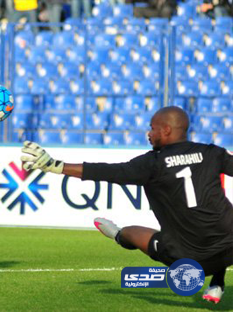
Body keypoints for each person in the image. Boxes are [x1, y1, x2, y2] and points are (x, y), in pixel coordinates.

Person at [21, 106, 233, 304]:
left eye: (152, 128)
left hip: (189, 259)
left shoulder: (152, 163)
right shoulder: (212, 153)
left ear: (166, 130)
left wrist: (55, 166)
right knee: (218, 223)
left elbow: (107, 171)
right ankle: (218, 282)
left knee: (131, 234)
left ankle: (117, 235)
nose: (149, 133)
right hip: (229, 248)